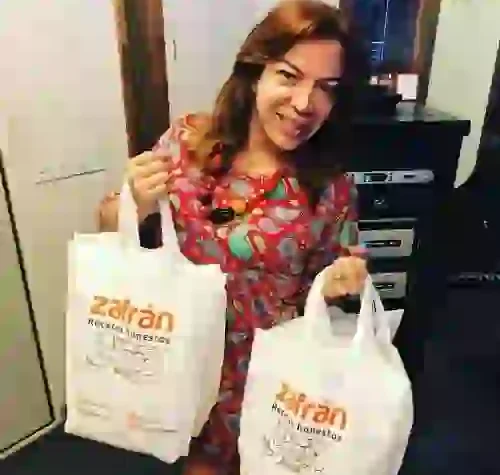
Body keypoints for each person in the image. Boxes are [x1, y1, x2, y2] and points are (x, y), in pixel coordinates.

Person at [98, 1, 370, 473]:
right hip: (175, 359)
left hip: (263, 383)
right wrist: (131, 203)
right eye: (289, 76)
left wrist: (340, 285)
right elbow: (113, 231)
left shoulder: (331, 188)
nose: (304, 104)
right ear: (255, 71)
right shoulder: (186, 143)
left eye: (326, 88)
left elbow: (331, 302)